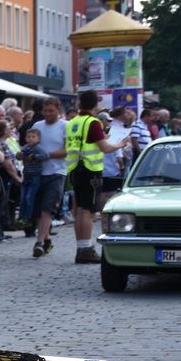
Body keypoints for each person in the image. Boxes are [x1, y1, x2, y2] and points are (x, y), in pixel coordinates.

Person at [64, 90, 124, 264]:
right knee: (88, 211)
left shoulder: (73, 122)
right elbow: (105, 148)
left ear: (79, 103)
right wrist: (122, 143)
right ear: (95, 105)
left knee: (80, 210)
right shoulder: (93, 122)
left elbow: (83, 142)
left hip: (75, 168)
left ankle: (81, 247)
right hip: (90, 169)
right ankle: (86, 249)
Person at [31, 97, 69, 257]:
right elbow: (30, 146)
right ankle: (46, 240)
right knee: (39, 211)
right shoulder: (37, 126)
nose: (47, 114)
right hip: (38, 173)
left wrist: (46, 155)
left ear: (58, 110)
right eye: (45, 111)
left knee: (47, 209)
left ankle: (38, 242)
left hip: (57, 172)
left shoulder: (65, 126)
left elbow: (67, 150)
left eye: (50, 111)